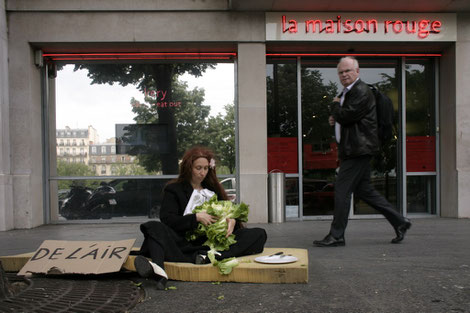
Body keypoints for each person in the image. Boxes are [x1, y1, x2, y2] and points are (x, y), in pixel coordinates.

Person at [134, 146, 267, 288]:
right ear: (188, 167)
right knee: (153, 227)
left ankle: (205, 257)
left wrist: (233, 220)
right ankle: (159, 271)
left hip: (209, 244)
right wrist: (195, 217)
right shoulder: (174, 189)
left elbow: (228, 211)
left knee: (259, 234)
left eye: (205, 168)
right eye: (198, 168)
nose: (202, 173)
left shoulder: (213, 189)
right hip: (182, 242)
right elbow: (168, 219)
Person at [313, 56, 411, 247]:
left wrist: (334, 108)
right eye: (341, 72)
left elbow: (347, 115)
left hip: (358, 150)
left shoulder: (361, 91)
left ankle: (336, 235)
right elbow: (349, 118)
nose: (344, 75)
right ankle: (400, 222)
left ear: (357, 71)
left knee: (341, 190)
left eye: (348, 71)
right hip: (355, 149)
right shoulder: (348, 93)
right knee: (365, 191)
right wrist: (336, 119)